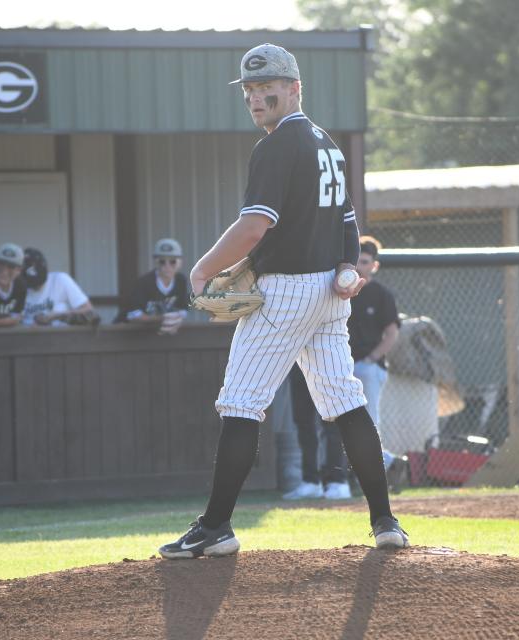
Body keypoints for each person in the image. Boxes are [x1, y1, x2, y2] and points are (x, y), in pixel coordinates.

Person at [158, 43, 407, 559]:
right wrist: (344, 267)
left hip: (286, 292)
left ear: (295, 87)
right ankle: (385, 521)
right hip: (327, 293)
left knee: (241, 403)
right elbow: (347, 224)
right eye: (249, 89)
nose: (256, 96)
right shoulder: (327, 145)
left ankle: (216, 528)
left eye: (267, 85)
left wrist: (204, 269)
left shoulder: (278, 145)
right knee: (345, 400)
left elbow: (255, 225)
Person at [348, 235, 401, 470]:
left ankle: (381, 468)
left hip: (367, 368)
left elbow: (392, 334)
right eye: (356, 260)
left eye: (365, 261)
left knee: (368, 421)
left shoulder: (382, 295)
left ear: (374, 266)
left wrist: (369, 361)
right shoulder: (340, 290)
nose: (360, 266)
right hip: (340, 368)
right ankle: (380, 465)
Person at [282, 364, 351, 500]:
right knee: (303, 423)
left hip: (326, 364)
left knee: (331, 421)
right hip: (298, 364)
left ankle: (338, 482)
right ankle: (311, 481)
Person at [117, 238, 189, 335]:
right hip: (128, 335)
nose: (167, 266)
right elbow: (133, 315)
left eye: (172, 261)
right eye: (162, 261)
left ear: (180, 262)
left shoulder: (181, 281)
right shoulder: (144, 282)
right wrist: (162, 318)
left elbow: (183, 310)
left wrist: (174, 319)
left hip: (157, 335)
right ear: (156, 262)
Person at [21, 247, 97, 326]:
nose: (36, 287)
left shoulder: (60, 279)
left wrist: (56, 316)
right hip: (29, 336)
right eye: (32, 284)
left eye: (39, 283)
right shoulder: (19, 287)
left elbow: (89, 311)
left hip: (60, 335)